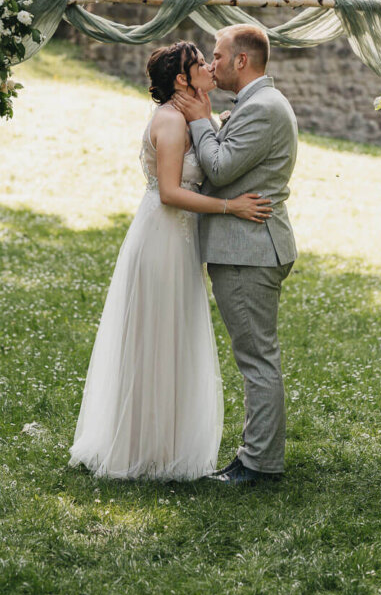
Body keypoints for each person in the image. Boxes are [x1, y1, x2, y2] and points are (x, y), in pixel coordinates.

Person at [69, 41, 272, 481]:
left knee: (172, 337)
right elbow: (169, 192)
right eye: (201, 63)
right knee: (156, 338)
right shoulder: (169, 121)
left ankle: (165, 445)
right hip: (162, 237)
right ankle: (142, 451)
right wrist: (231, 208)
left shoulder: (190, 117)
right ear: (182, 79)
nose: (209, 67)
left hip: (179, 239)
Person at [173, 25, 298, 486]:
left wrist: (201, 120)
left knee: (256, 359)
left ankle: (259, 465)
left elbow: (220, 167)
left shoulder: (262, 108)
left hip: (250, 250)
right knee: (255, 355)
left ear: (241, 61)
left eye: (218, 55)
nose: (211, 62)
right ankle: (254, 455)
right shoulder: (257, 104)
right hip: (248, 245)